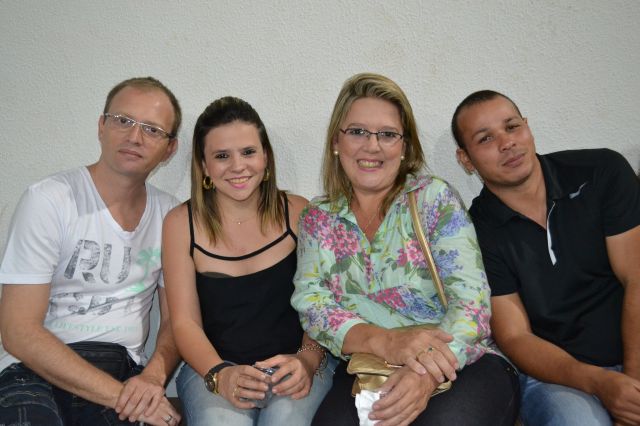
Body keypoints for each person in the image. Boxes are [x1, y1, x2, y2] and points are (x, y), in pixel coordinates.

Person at [291, 73, 519, 426]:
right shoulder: (319, 218)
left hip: (461, 365)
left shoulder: (433, 199)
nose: (372, 146)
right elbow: (313, 305)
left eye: (387, 134)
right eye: (357, 132)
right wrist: (385, 342)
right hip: (367, 369)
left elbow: (471, 305)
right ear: (336, 141)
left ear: (405, 146)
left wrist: (424, 373)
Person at [0, 76, 183, 426]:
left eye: (152, 130)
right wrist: (121, 397)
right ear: (101, 126)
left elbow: (177, 319)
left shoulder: (170, 215)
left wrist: (153, 378)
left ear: (170, 148)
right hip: (32, 370)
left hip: (122, 367)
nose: (135, 137)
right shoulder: (49, 200)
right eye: (123, 120)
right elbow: (18, 331)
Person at [452, 90, 640, 426]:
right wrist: (600, 382)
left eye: (512, 127)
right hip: (557, 377)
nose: (507, 143)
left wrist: (633, 393)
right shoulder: (474, 230)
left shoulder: (602, 171)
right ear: (465, 159)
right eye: (485, 138)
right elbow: (515, 337)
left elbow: (636, 278)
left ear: (527, 126)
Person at [162, 96, 335, 426]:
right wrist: (220, 374)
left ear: (265, 157)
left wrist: (308, 361)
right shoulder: (180, 224)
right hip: (213, 367)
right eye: (222, 156)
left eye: (248, 152)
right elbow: (184, 323)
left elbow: (323, 304)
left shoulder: (299, 212)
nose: (237, 166)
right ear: (204, 165)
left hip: (297, 362)